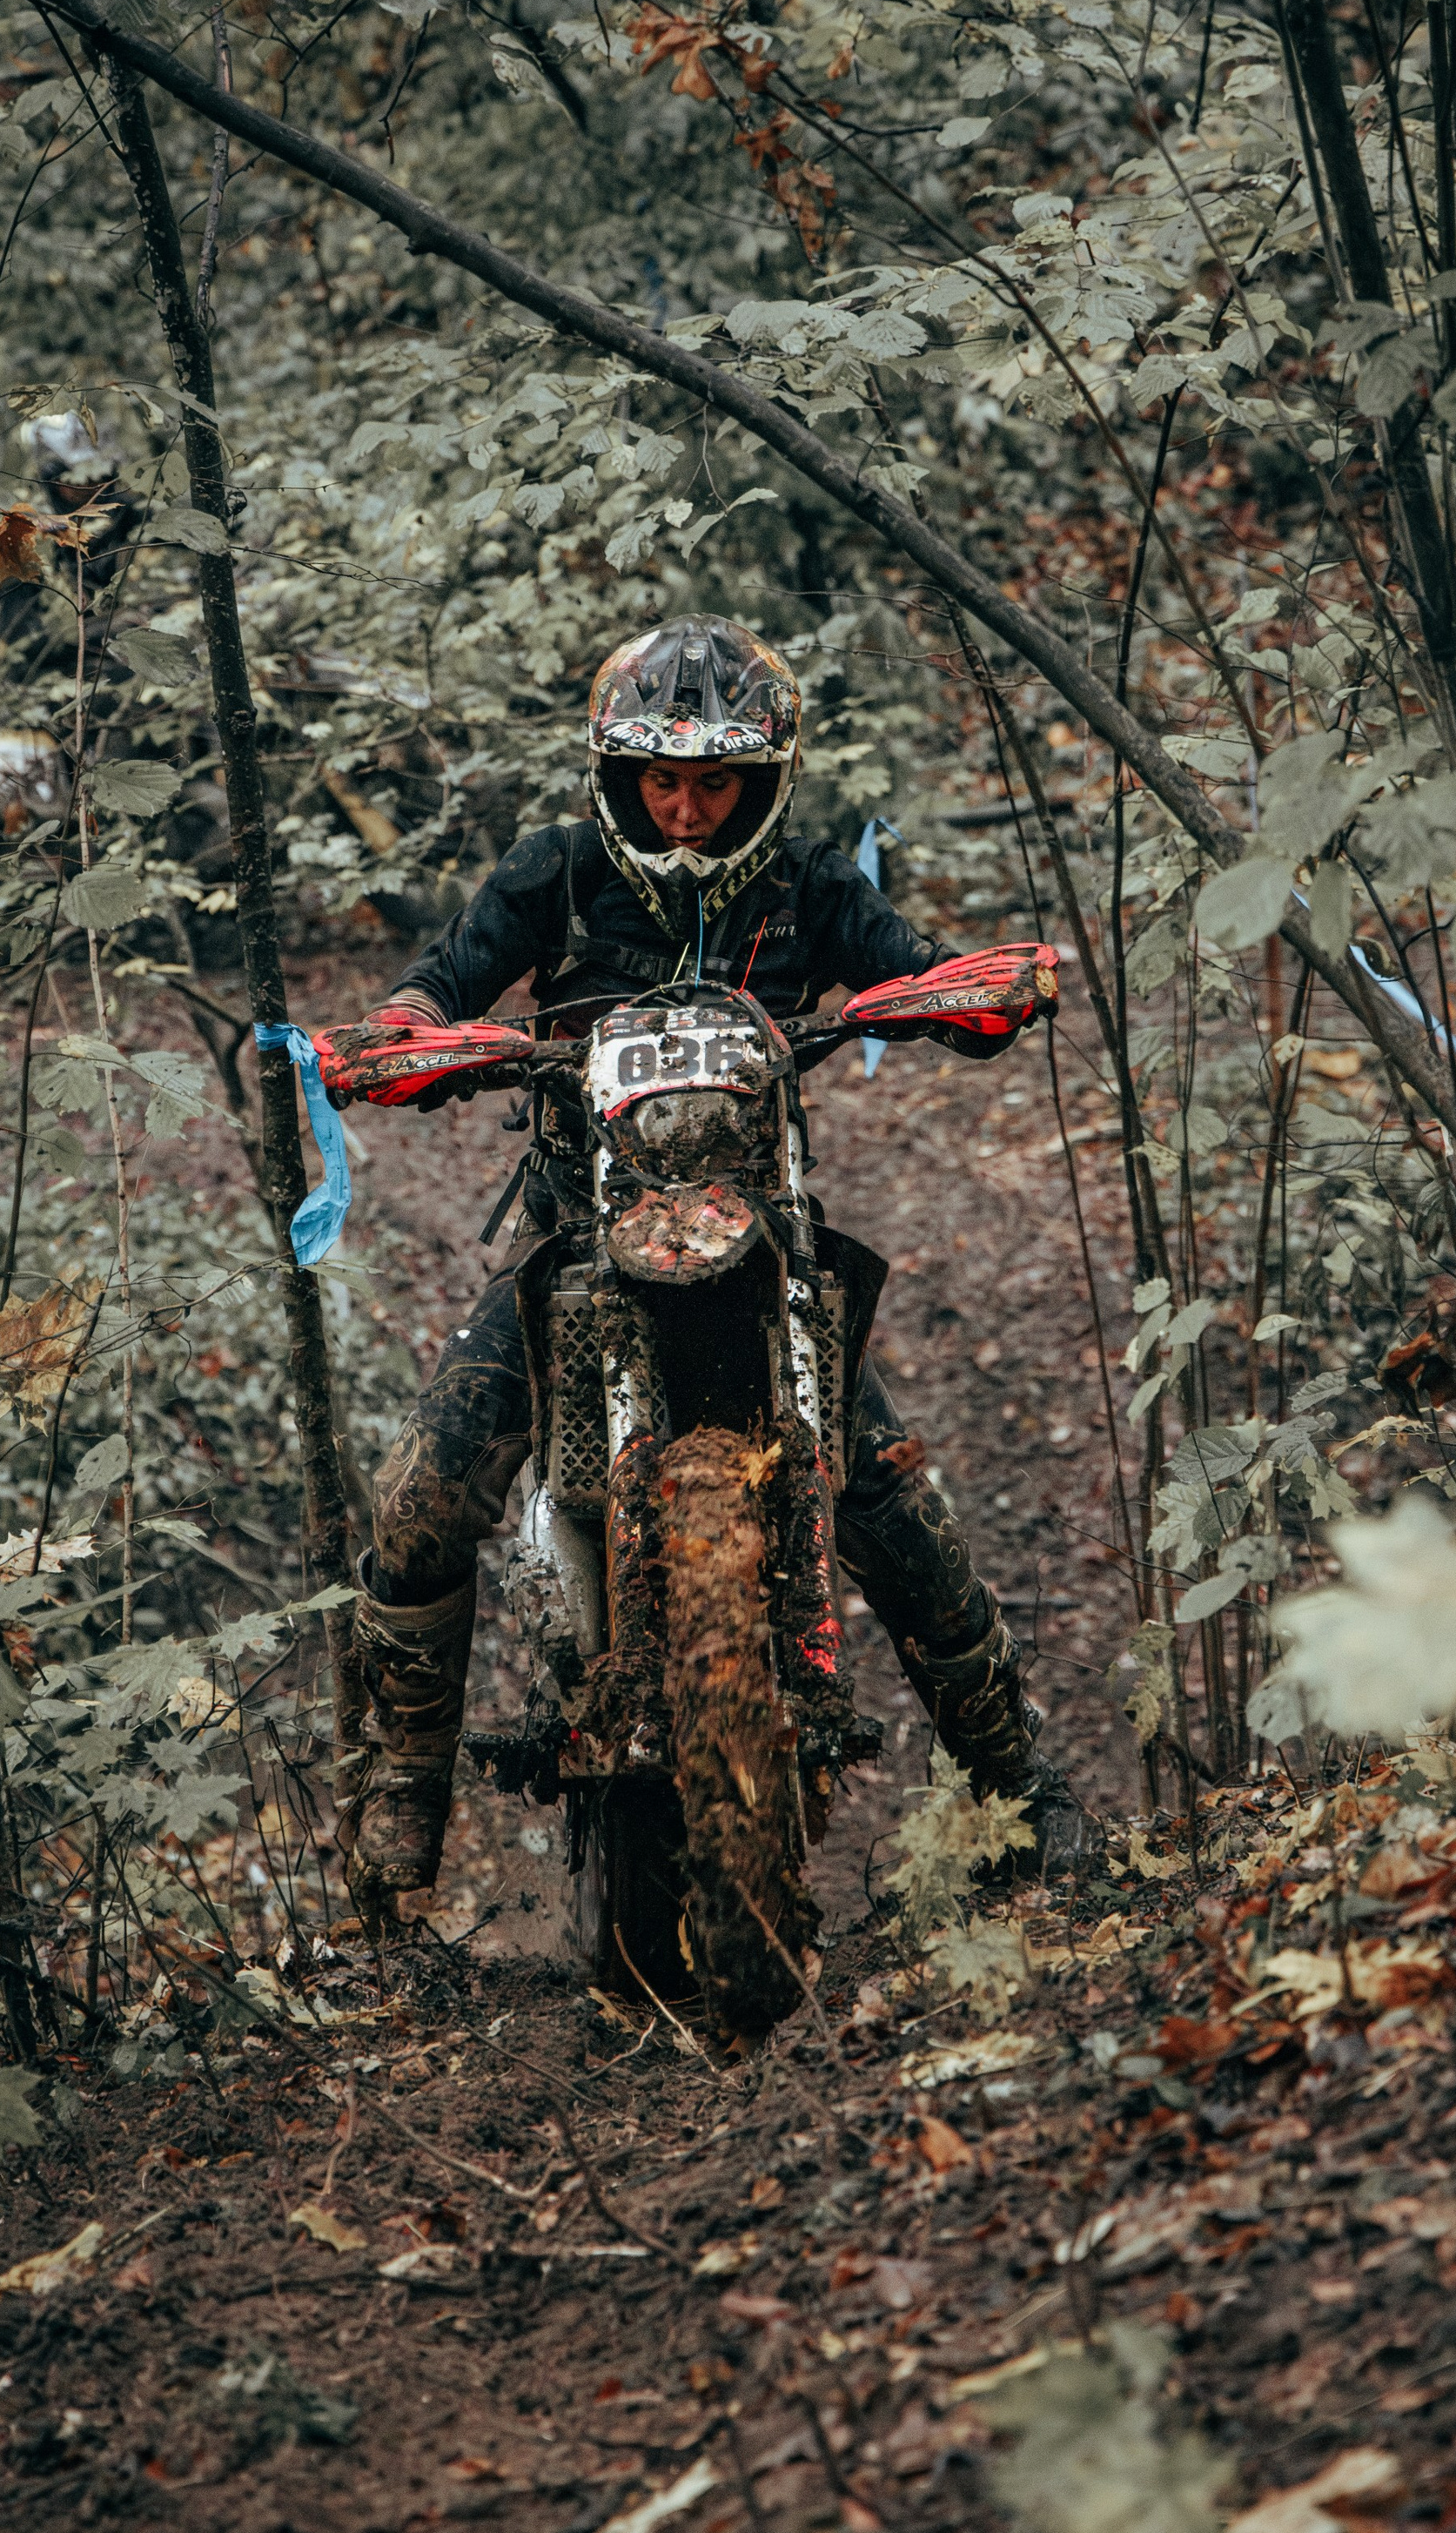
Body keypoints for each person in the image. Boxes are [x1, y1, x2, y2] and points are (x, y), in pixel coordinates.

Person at [339, 615, 1083, 1935]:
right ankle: (398, 1811)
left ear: (766, 778)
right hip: (577, 1244)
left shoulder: (807, 888)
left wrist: (973, 992)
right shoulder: (558, 873)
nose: (685, 811)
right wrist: (407, 1037)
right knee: (416, 1499)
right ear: (616, 774)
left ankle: (1028, 1791)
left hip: (766, 1254)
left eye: (715, 783)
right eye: (661, 782)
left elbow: (921, 975)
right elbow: (438, 982)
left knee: (903, 1514)